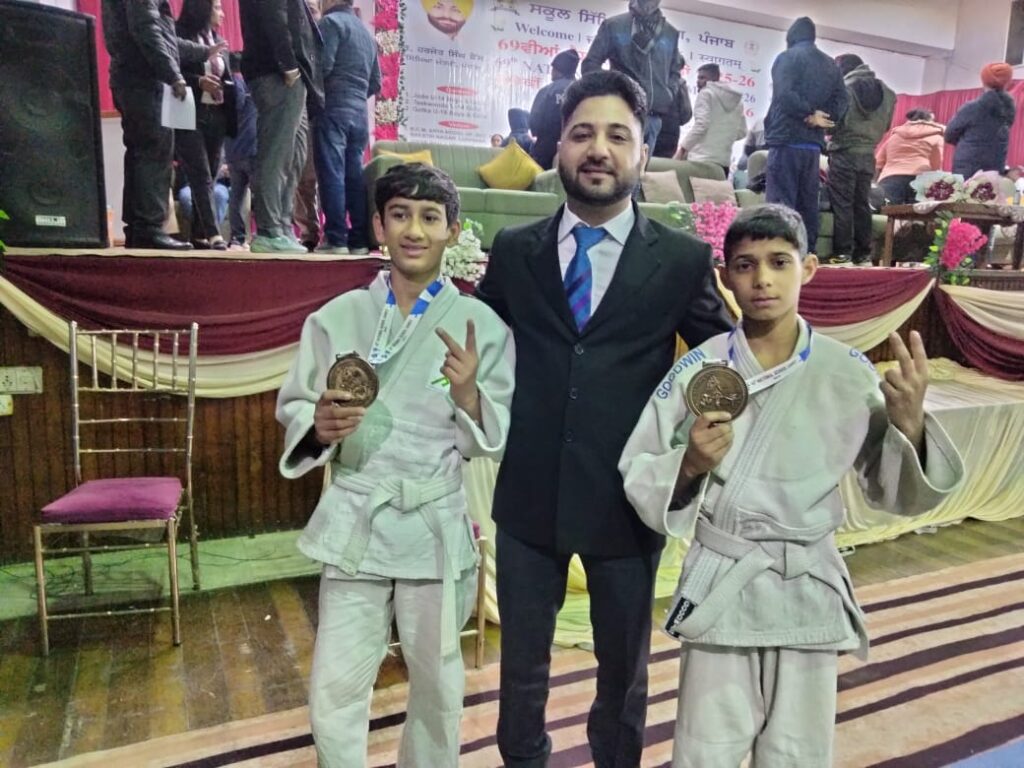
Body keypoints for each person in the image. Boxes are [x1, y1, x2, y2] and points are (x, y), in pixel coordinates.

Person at [620, 203, 965, 768]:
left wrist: (911, 426)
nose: (762, 279)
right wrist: (689, 465)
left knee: (797, 753)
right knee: (705, 751)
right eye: (745, 265)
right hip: (725, 582)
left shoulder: (847, 369)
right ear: (725, 276)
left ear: (808, 268)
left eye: (779, 262)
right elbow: (639, 465)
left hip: (806, 581)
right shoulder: (698, 367)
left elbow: (893, 491)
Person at [476, 70, 732, 768]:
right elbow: (474, 347)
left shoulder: (680, 260)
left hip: (628, 500)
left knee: (623, 679)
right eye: (582, 133)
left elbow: (725, 360)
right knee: (520, 677)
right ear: (557, 146)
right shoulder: (515, 251)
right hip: (528, 498)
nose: (599, 149)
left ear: (643, 153)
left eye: (618, 136)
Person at [276, 162, 515, 767]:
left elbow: (495, 436)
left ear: (453, 230)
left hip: (432, 522)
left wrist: (469, 397)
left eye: (430, 217)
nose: (414, 230)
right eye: (400, 215)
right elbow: (298, 402)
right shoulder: (337, 316)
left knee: (437, 685)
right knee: (334, 685)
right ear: (379, 226)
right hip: (358, 515)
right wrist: (318, 427)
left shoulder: (482, 325)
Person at [101, 0, 225, 250]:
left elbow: (162, 36)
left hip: (132, 78)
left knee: (140, 154)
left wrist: (204, 52)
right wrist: (173, 75)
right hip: (144, 79)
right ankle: (149, 228)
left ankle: (138, 229)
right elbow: (146, 29)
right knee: (155, 152)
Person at [239, 0, 323, 254]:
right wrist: (288, 65)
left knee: (295, 154)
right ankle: (269, 229)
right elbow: (274, 15)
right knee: (277, 153)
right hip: (277, 73)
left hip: (293, 76)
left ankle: (282, 226)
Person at [763, 16, 847, 255]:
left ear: (791, 37)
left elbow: (784, 95)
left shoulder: (787, 58)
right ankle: (806, 254)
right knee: (808, 205)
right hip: (812, 146)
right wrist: (823, 118)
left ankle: (778, 254)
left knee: (780, 204)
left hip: (786, 140)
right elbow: (842, 100)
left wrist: (809, 113)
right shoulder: (831, 65)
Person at [313, 0, 381, 255]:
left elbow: (324, 67)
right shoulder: (366, 34)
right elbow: (376, 82)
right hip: (359, 115)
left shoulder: (330, 23)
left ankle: (336, 238)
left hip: (333, 108)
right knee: (354, 176)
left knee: (331, 172)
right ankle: (359, 240)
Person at [581, 0, 685, 154]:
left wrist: (667, 94)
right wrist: (613, 91)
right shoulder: (614, 26)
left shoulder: (670, 33)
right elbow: (590, 64)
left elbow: (674, 71)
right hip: (621, 112)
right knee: (616, 164)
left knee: (641, 167)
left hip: (653, 117)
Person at [826, 53, 895, 265]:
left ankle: (842, 253)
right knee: (862, 204)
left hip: (844, 152)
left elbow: (833, 123)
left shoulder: (843, 90)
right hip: (868, 155)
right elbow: (887, 126)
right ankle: (863, 254)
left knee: (843, 204)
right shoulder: (888, 93)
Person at [174, 0, 232, 250]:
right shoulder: (179, 35)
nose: (222, 13)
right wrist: (199, 81)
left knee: (212, 170)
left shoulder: (217, 39)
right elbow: (170, 72)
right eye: (217, 7)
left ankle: (199, 235)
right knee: (201, 174)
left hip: (217, 115)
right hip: (189, 112)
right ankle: (214, 233)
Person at [945, 62, 1017, 179]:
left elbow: (949, 135)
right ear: (1007, 82)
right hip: (995, 169)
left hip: (968, 169)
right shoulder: (1009, 110)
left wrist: (966, 142)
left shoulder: (972, 108)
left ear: (984, 81)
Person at [675, 63, 747, 175]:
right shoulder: (737, 102)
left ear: (713, 79)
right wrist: (722, 137)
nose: (698, 81)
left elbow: (701, 126)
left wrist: (683, 148)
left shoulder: (706, 94)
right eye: (698, 78)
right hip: (723, 164)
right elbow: (742, 132)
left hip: (700, 161)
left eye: (702, 78)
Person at [224, 52, 259, 250]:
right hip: (251, 147)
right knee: (259, 195)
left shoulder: (228, 84)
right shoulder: (245, 84)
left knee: (236, 196)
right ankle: (262, 234)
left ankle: (237, 238)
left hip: (232, 149)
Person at [874, 109, 944, 205]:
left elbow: (878, 163)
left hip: (891, 178)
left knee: (886, 210)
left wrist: (875, 182)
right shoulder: (936, 137)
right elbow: (936, 165)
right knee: (918, 213)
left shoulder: (894, 137)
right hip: (921, 178)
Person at [529, 49, 580, 170]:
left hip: (546, 150)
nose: (551, 72)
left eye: (553, 69)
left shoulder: (547, 91)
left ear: (559, 70)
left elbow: (534, 122)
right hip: (576, 149)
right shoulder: (584, 91)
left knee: (543, 180)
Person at [652, 66, 692, 159]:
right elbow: (686, 113)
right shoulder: (680, 83)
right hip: (670, 134)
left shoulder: (649, 77)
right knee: (663, 165)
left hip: (648, 128)